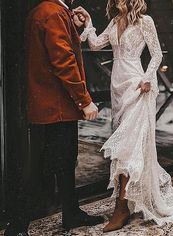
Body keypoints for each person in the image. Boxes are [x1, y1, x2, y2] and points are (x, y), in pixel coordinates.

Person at [74, 0, 173, 233]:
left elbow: (156, 54)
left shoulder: (144, 21)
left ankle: (122, 207)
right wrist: (88, 24)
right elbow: (96, 45)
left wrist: (148, 78)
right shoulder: (115, 21)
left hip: (137, 85)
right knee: (125, 147)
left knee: (127, 147)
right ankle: (127, 200)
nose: (116, 0)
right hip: (117, 86)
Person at [4, 0, 104, 235]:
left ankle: (70, 213)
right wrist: (84, 100)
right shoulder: (53, 13)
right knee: (45, 166)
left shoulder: (44, 11)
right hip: (57, 106)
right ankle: (17, 227)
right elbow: (64, 61)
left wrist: (75, 25)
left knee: (63, 162)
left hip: (48, 105)